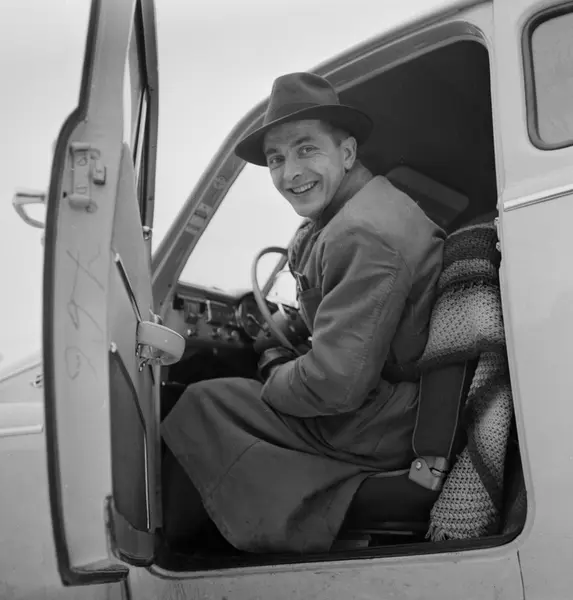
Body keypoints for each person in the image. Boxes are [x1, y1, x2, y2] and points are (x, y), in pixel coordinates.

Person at [161, 72, 445, 554]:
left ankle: (181, 554)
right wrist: (292, 332)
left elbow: (335, 384)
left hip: (384, 422)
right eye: (276, 158)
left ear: (347, 153)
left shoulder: (360, 233)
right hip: (397, 402)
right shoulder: (359, 210)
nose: (290, 173)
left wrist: (274, 372)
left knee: (200, 403)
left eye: (306, 149)